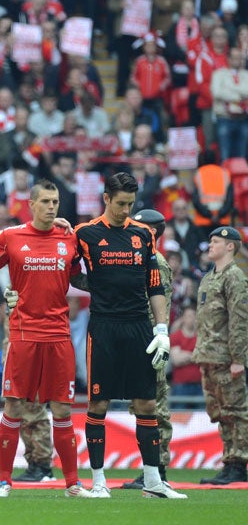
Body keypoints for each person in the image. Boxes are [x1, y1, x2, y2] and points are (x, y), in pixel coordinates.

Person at [74, 172, 186, 499]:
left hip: (139, 325)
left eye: (130, 203)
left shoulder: (143, 235)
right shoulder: (85, 234)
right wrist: (93, 285)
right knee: (98, 402)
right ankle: (98, 482)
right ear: (106, 199)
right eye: (120, 203)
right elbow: (65, 270)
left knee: (147, 403)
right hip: (104, 325)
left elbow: (154, 284)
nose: (126, 210)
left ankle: (152, 482)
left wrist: (162, 328)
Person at [0, 180, 92, 497]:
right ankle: (3, 482)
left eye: (55, 201)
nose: (52, 206)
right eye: (45, 201)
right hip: (24, 334)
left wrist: (110, 284)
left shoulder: (69, 238)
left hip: (58, 335)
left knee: (62, 410)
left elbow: (78, 276)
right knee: (13, 406)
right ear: (31, 204)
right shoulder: (13, 237)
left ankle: (72, 483)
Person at [121, 209, 174, 490]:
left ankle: (159, 468)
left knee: (156, 407)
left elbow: (159, 308)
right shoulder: (141, 259)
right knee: (142, 406)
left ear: (150, 232)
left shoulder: (158, 264)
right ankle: (151, 468)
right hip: (138, 340)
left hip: (150, 343)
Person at [195, 227, 248, 485]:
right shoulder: (209, 278)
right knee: (219, 412)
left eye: (215, 241)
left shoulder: (234, 277)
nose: (210, 245)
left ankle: (239, 463)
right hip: (208, 354)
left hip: (227, 357)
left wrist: (239, 358)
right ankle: (229, 461)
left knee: (236, 410)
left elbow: (239, 320)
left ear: (230, 246)